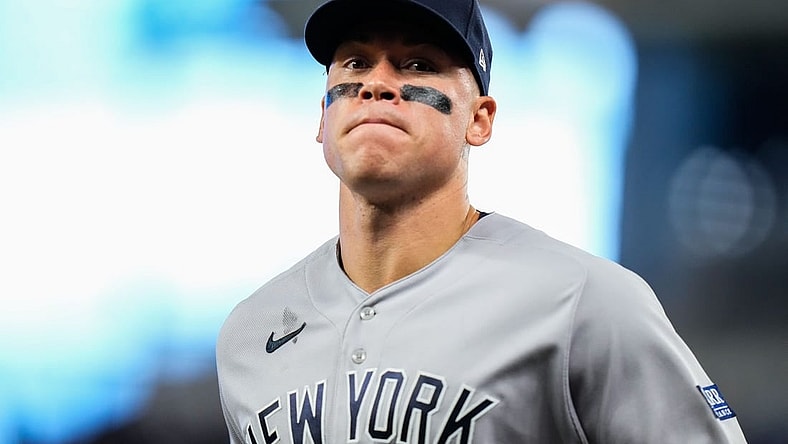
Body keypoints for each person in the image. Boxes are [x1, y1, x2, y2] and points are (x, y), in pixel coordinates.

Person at [216, 0, 748, 442]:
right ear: (323, 117)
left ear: (479, 119)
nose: (376, 84)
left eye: (417, 64)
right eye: (355, 63)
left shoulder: (584, 300)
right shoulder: (249, 334)